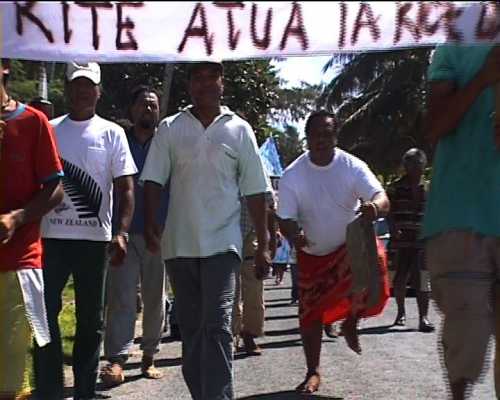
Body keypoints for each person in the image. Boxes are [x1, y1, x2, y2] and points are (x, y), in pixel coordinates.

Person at [141, 61, 271, 400]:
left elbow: (256, 189)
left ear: (221, 83)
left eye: (210, 77)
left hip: (223, 245)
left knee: (217, 324)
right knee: (194, 330)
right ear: (189, 86)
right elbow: (153, 179)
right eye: (197, 78)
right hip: (179, 245)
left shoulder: (239, 129)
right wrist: (153, 222)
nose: (204, 84)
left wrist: (265, 241)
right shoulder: (170, 127)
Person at [33, 62, 137, 400]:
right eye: (76, 84)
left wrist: (121, 233)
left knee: (90, 321)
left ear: (98, 91)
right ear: (66, 88)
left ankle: (83, 390)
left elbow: (126, 189)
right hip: (50, 238)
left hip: (95, 242)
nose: (82, 91)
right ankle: (48, 389)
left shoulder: (112, 133)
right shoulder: (48, 129)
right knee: (44, 316)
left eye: (88, 85)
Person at [277, 110, 390, 394]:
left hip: (349, 248)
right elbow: (285, 216)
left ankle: (351, 321)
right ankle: (313, 371)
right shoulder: (294, 174)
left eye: (327, 134)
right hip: (312, 253)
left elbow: (381, 197)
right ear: (307, 138)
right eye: (316, 134)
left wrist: (374, 207)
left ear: (335, 136)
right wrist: (294, 233)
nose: (322, 140)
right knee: (310, 314)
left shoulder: (351, 165)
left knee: (375, 260)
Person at [424, 45, 500, 400]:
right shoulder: (453, 49)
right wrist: (484, 77)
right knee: (466, 336)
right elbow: (436, 126)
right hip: (460, 218)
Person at [0, 59, 64, 400]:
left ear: (5, 67)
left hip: (18, 262)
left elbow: (55, 189)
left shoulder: (33, 122)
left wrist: (17, 218)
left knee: (11, 366)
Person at [101, 86, 169, 386]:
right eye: (143, 104)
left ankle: (149, 355)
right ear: (132, 110)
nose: (148, 110)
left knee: (156, 299)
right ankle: (116, 359)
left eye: (153, 106)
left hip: (159, 234)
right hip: (123, 234)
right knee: (121, 298)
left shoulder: (166, 144)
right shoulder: (118, 141)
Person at [387, 148, 434, 333]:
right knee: (400, 277)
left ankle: (424, 317)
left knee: (422, 278)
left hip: (422, 239)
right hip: (401, 240)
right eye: (410, 163)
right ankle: (400, 313)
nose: (415, 167)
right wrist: (393, 227)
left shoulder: (430, 187)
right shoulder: (394, 187)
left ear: (424, 165)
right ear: (405, 166)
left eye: (418, 163)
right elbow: (388, 211)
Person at [233, 192, 276, 356]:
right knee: (229, 290)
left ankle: (249, 334)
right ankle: (231, 334)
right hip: (222, 235)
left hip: (251, 236)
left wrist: (269, 241)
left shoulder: (257, 169)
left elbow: (269, 208)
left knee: (254, 290)